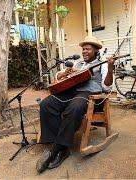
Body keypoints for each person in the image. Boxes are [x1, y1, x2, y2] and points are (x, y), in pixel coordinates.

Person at [36, 36, 114, 174]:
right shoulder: (77, 64)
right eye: (83, 49)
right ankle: (62, 148)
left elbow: (107, 87)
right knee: (47, 104)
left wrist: (110, 68)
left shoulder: (102, 65)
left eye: (88, 49)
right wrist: (63, 75)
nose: (84, 51)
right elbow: (60, 76)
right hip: (71, 92)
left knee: (75, 107)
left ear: (96, 51)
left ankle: (54, 150)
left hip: (89, 95)